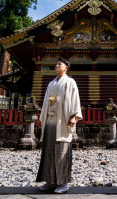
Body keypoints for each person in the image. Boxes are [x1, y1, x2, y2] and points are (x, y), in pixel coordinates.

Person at [36, 58, 82, 193]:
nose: (57, 65)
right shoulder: (51, 84)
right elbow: (45, 102)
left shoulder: (70, 82)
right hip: (50, 119)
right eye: (56, 64)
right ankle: (50, 181)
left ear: (66, 67)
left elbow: (75, 99)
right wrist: (41, 118)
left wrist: (73, 116)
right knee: (49, 150)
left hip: (63, 120)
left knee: (62, 151)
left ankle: (63, 182)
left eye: (60, 64)